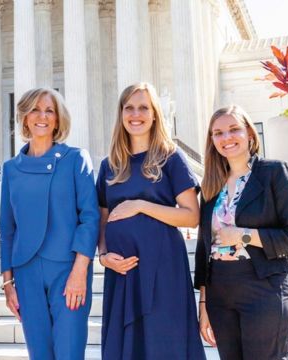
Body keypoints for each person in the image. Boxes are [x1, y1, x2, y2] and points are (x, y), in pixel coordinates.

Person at [96, 82, 205, 359]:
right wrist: (104, 255)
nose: (136, 114)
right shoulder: (109, 165)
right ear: (121, 114)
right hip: (122, 272)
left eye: (143, 107)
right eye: (129, 107)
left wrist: (141, 206)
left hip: (163, 268)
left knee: (163, 342)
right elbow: (103, 218)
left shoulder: (171, 157)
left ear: (155, 113)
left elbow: (192, 216)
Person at [195, 105, 288, 360]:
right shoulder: (211, 185)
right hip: (220, 293)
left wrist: (244, 235)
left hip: (264, 288)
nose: (227, 138)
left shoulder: (274, 173)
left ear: (249, 132)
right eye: (218, 133)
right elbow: (204, 248)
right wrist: (203, 304)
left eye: (234, 129)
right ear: (212, 141)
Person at [0, 88, 99, 359]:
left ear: (57, 119)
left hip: (68, 271)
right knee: (39, 354)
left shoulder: (76, 159)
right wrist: (8, 284)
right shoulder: (10, 169)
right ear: (24, 117)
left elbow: (90, 217)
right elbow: (7, 229)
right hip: (26, 272)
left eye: (49, 110)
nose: (41, 116)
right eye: (34, 109)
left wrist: (80, 270)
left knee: (69, 352)